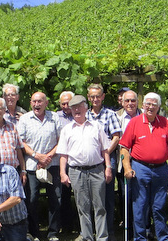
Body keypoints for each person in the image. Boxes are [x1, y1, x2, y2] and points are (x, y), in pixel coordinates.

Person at [120, 92, 168, 241]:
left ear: (158, 107)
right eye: (148, 104)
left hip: (161, 169)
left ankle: (163, 237)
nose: (150, 107)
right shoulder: (134, 122)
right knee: (140, 206)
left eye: (154, 104)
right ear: (143, 105)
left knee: (159, 206)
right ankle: (140, 238)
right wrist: (127, 167)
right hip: (140, 168)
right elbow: (124, 148)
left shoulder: (165, 123)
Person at [57, 95, 112, 241]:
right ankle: (87, 237)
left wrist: (108, 168)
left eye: (79, 107)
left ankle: (102, 238)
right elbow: (63, 155)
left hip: (97, 170)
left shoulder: (96, 126)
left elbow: (105, 149)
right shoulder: (67, 129)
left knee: (100, 207)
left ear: (86, 108)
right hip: (76, 172)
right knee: (82, 208)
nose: (76, 110)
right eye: (73, 108)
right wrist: (63, 173)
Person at [17, 92, 62, 241]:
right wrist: (37, 156)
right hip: (31, 165)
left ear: (46, 103)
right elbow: (21, 143)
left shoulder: (55, 117)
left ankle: (53, 233)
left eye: (40, 101)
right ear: (31, 103)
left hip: (52, 164)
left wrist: (48, 156)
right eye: (34, 101)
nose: (37, 104)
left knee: (55, 198)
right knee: (31, 199)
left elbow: (61, 140)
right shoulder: (24, 119)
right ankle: (34, 232)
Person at [86, 84, 121, 240]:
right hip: (90, 160)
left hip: (108, 160)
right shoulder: (84, 115)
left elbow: (116, 136)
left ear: (103, 97)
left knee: (107, 197)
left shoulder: (110, 114)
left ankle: (109, 230)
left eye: (98, 96)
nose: (95, 99)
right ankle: (90, 230)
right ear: (88, 97)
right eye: (92, 97)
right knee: (90, 198)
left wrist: (105, 152)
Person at [116, 90, 142, 239]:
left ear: (137, 101)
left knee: (142, 197)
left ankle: (144, 228)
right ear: (122, 102)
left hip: (142, 161)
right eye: (127, 101)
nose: (130, 104)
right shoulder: (117, 116)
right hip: (122, 162)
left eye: (133, 100)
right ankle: (129, 228)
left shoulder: (145, 114)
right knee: (125, 196)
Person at [56, 91, 77, 233]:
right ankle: (66, 226)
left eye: (68, 103)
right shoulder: (55, 117)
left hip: (78, 161)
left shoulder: (80, 115)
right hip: (62, 161)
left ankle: (80, 225)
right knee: (63, 194)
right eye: (62, 104)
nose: (65, 106)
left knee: (81, 194)